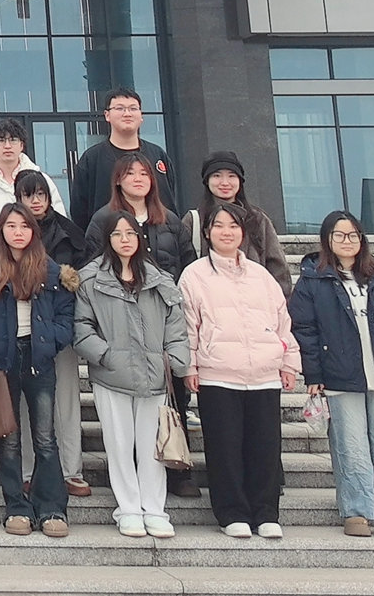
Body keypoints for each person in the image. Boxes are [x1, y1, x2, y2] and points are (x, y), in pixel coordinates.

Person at [289, 211, 374, 539]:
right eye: (339, 235)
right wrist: (312, 373)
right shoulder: (313, 280)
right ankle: (357, 511)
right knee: (352, 448)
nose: (347, 241)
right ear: (327, 240)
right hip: (339, 376)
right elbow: (304, 329)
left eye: (353, 235)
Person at [179, 203, 299, 540]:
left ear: (243, 233)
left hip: (263, 374)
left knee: (265, 447)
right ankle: (231, 512)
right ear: (207, 233)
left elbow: (282, 322)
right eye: (219, 226)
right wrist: (189, 366)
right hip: (218, 374)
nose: (226, 232)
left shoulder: (261, 276)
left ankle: (266, 512)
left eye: (233, 226)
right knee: (224, 449)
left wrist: (289, 362)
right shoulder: (194, 275)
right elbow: (188, 326)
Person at [85, 150, 201, 497]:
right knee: (123, 423)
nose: (138, 179)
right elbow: (92, 273)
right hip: (119, 330)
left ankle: (177, 474)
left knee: (172, 405)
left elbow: (187, 263)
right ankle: (128, 488)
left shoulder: (170, 220)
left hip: (161, 322)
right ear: (118, 180)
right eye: (130, 173)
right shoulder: (103, 219)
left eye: (144, 174)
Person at [0, 204, 77, 538]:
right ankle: (16, 506)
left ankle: (52, 507)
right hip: (3, 358)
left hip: (39, 357)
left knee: (45, 438)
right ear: (1, 230)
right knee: (8, 438)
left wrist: (54, 339)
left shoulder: (50, 269)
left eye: (25, 226)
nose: (18, 232)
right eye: (11, 226)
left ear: (33, 231)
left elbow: (66, 312)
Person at [73, 212, 189, 539]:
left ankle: (154, 509)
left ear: (140, 238)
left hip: (154, 375)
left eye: (130, 233)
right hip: (111, 376)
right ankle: (128, 509)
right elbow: (81, 327)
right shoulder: (91, 280)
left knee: (153, 447)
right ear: (107, 239)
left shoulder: (159, 280)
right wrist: (105, 355)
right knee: (119, 445)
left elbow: (176, 327)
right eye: (117, 234)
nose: (124, 239)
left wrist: (175, 361)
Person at [14, 169, 89, 499]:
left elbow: (80, 282)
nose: (35, 201)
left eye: (41, 194)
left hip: (60, 330)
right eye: (28, 195)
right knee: (25, 405)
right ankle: (29, 471)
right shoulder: (7, 232)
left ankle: (71, 471)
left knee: (67, 402)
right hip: (22, 332)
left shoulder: (69, 233)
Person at [188, 151, 292, 297]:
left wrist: (279, 301)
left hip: (255, 301)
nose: (225, 182)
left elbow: (277, 267)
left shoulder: (257, 219)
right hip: (209, 301)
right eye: (217, 176)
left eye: (232, 176)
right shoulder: (194, 220)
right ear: (207, 180)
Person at [70, 87, 177, 229]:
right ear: (107, 115)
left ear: (141, 116)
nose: (127, 114)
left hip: (158, 236)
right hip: (108, 237)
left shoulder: (157, 155)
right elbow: (79, 210)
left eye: (133, 108)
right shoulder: (92, 159)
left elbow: (169, 198)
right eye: (120, 108)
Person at [0, 118, 66, 257]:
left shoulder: (42, 180)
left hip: (40, 258)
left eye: (13, 140)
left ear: (21, 145)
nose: (7, 146)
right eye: (1, 140)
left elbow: (59, 219)